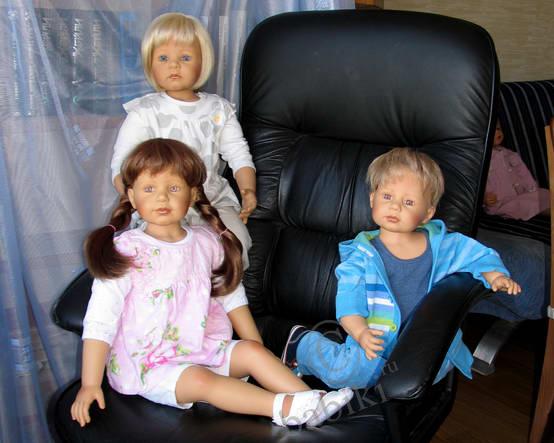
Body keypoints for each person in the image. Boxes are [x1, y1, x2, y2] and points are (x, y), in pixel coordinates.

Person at [71, 138, 353, 428]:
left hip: (203, 347)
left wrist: (255, 346)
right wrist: (90, 384)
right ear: (131, 196)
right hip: (150, 364)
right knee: (200, 379)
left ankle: (312, 401)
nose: (162, 198)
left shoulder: (206, 242)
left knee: (252, 352)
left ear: (193, 194)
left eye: (174, 188)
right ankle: (284, 408)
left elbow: (230, 296)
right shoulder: (126, 250)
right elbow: (101, 320)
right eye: (149, 189)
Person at [281, 147, 521, 389]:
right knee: (345, 374)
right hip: (375, 341)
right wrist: (361, 332)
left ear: (427, 213)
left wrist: (494, 275)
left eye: (408, 202)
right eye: (387, 196)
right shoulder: (360, 257)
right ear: (372, 199)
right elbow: (348, 303)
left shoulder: (442, 246)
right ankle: (304, 346)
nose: (395, 206)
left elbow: (478, 255)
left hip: (422, 344)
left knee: (429, 373)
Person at [110, 12, 255, 267]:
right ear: (150, 64)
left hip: (211, 203)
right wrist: (138, 199)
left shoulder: (218, 110)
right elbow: (121, 166)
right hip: (160, 205)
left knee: (236, 244)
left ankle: (225, 292)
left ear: (202, 62)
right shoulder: (144, 113)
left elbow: (238, 153)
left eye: (185, 58)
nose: (174, 65)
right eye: (163, 58)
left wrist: (248, 190)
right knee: (164, 259)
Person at [483, 120, 549, 220]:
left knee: (545, 194)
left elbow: (524, 173)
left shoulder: (510, 154)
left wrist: (533, 189)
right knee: (529, 204)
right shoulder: (481, 160)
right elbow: (476, 184)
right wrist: (484, 198)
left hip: (522, 194)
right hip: (502, 203)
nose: (498, 132)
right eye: (492, 130)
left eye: (498, 129)